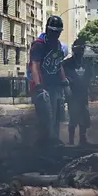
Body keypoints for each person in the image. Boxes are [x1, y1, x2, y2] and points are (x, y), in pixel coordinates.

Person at [30, 16, 68, 146]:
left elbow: (59, 64)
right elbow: (34, 66)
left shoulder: (57, 45)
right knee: (46, 116)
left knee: (57, 117)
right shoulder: (39, 45)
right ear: (48, 30)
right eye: (54, 32)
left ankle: (54, 140)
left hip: (55, 86)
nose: (56, 34)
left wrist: (64, 80)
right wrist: (39, 86)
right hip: (42, 87)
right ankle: (43, 143)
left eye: (58, 32)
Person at [63, 38, 92, 146]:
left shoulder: (86, 63)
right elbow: (63, 76)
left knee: (84, 116)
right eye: (79, 49)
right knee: (73, 117)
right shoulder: (67, 63)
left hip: (83, 94)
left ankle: (82, 139)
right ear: (74, 50)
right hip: (72, 94)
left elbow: (89, 77)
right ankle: (71, 141)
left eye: (82, 49)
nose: (81, 51)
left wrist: (89, 90)